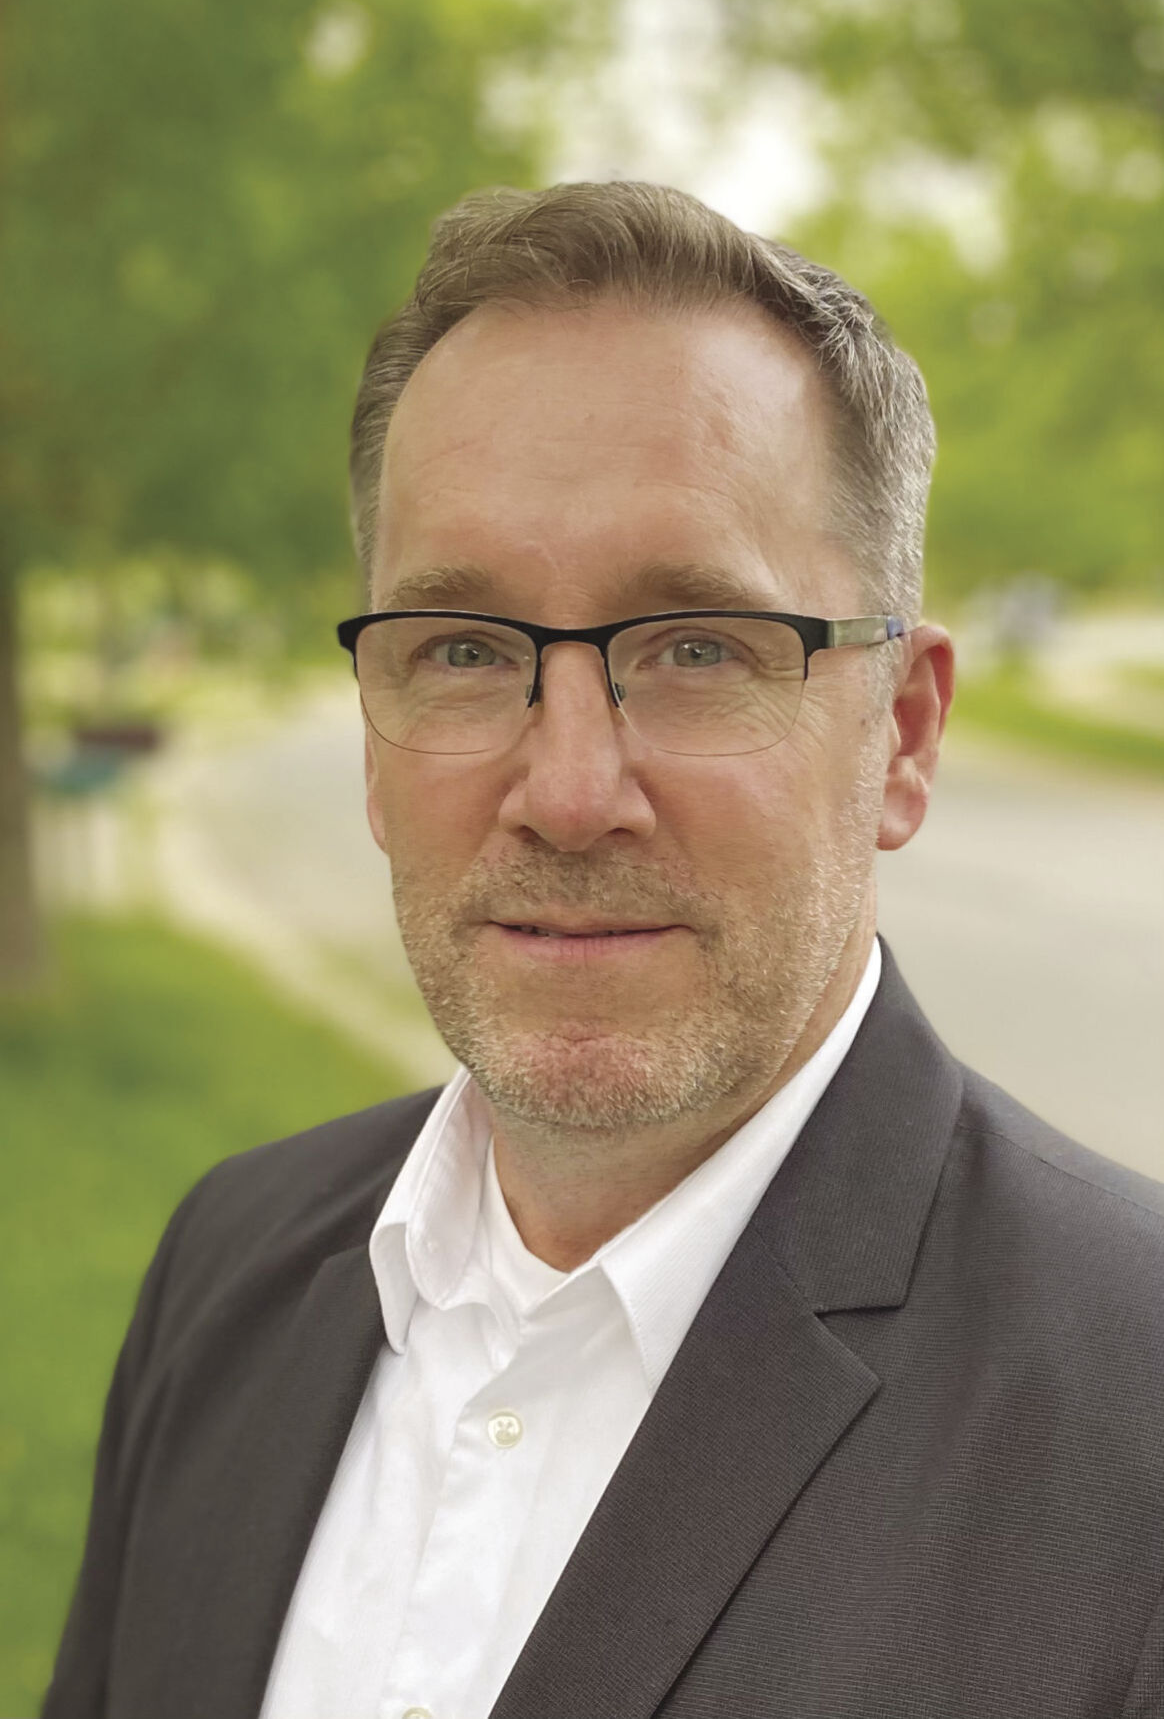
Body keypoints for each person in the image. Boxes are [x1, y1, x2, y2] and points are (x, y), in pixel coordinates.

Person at [45, 182, 1164, 1719]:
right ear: (373, 737)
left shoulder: (1133, 1419)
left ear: (900, 735)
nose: (568, 793)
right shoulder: (229, 1268)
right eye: (461, 649)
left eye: (697, 646)